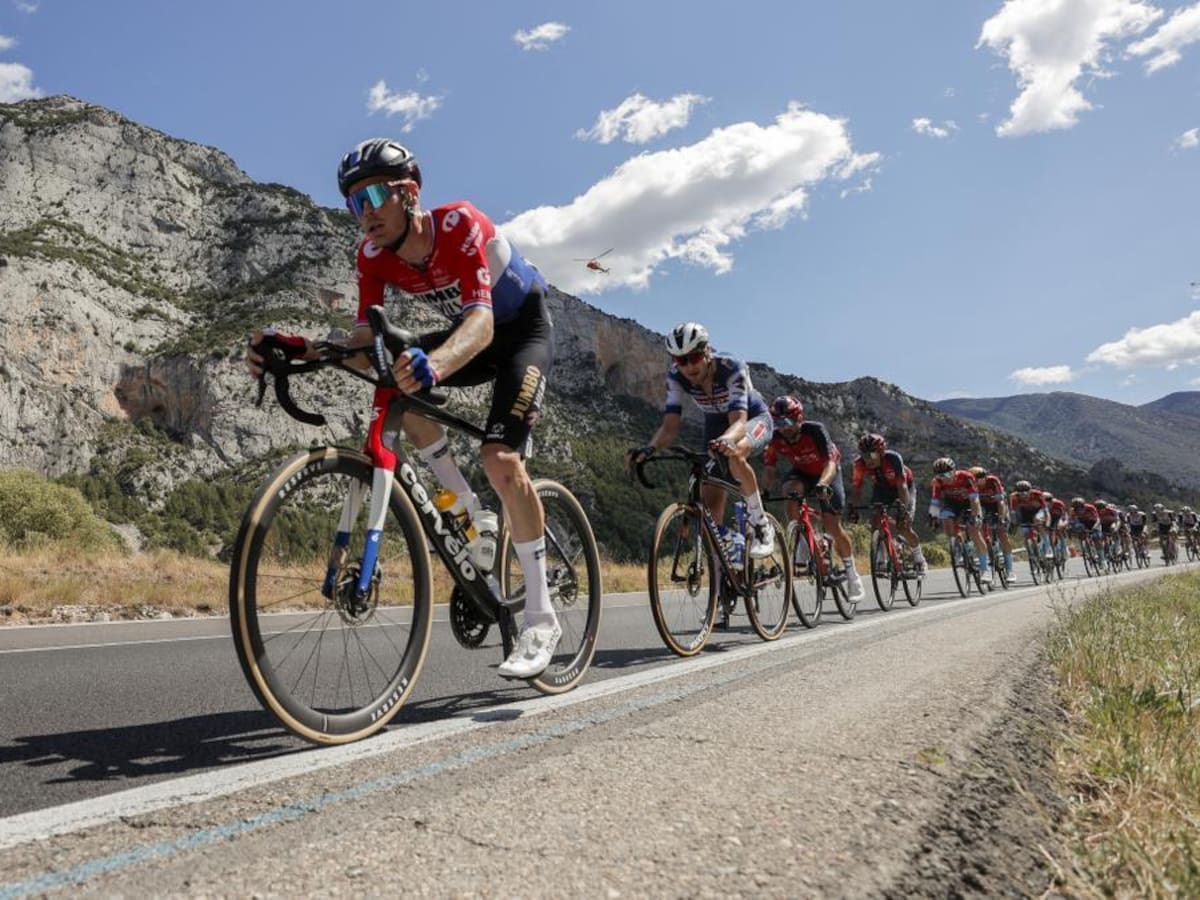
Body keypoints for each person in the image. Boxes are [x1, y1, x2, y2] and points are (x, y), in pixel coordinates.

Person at [247, 138, 560, 679]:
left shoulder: (460, 225)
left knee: (501, 460)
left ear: (408, 193)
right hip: (467, 333)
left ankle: (540, 618)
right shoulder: (372, 256)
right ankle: (466, 508)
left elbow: (482, 324)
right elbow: (365, 339)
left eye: (371, 195)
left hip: (519, 331)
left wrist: (433, 367)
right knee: (392, 377)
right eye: (352, 202)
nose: (363, 213)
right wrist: (304, 349)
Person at [627, 322, 775, 560]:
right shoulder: (676, 378)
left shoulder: (731, 367)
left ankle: (760, 525)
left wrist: (726, 440)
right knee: (708, 496)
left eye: (694, 357)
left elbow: (738, 421)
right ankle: (725, 561)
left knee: (735, 453)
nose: (688, 366)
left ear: (707, 351)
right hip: (716, 425)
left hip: (753, 419)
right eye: (680, 360)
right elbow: (669, 427)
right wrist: (649, 449)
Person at [761, 395, 864, 601]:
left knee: (832, 525)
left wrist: (823, 484)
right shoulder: (775, 437)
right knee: (790, 495)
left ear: (799, 419)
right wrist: (764, 491)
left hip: (827, 472)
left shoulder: (815, 430)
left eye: (788, 422)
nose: (784, 427)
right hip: (802, 472)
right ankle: (806, 540)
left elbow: (831, 463)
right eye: (779, 423)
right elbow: (770, 467)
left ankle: (852, 575)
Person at [848, 433, 926, 573]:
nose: (867, 460)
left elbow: (902, 487)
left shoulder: (893, 458)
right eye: (864, 456)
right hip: (882, 488)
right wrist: (854, 508)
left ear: (881, 452)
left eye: (871, 455)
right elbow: (856, 487)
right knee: (875, 520)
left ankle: (918, 557)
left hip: (903, 487)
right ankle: (881, 557)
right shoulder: (859, 464)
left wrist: (904, 510)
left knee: (904, 525)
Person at [929, 457, 990, 584]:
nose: (945, 477)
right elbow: (935, 502)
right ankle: (957, 545)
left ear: (954, 470)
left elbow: (975, 499)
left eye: (948, 474)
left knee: (974, 532)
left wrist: (976, 515)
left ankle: (985, 569)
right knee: (945, 519)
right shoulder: (937, 482)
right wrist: (933, 516)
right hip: (952, 503)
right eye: (940, 475)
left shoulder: (966, 477)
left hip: (969, 502)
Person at [972, 466, 1013, 578]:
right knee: (978, 527)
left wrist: (1002, 518)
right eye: (975, 479)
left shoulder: (993, 481)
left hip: (997, 505)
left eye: (980, 478)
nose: (978, 481)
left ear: (985, 477)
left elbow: (1001, 502)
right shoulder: (971, 485)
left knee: (1002, 534)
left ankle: (1010, 569)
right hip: (983, 506)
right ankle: (984, 557)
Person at [1009, 480, 1051, 561]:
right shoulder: (1014, 497)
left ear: (1030, 491)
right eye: (1020, 493)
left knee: (1037, 520)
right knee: (1026, 533)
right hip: (1025, 513)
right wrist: (1014, 523)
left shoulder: (1037, 494)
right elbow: (1013, 512)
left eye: (1026, 492)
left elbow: (1046, 510)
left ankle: (1048, 549)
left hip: (1038, 511)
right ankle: (1030, 552)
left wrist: (1047, 522)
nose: (1024, 495)